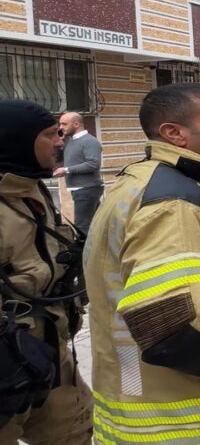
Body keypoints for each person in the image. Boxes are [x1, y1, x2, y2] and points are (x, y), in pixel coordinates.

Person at [84, 84, 200, 444]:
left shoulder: (142, 181)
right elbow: (174, 323)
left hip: (144, 401)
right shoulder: (176, 204)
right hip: (184, 423)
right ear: (174, 134)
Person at [0, 100, 92, 444]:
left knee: (75, 432)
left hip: (51, 351)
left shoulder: (31, 186)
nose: (60, 142)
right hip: (8, 363)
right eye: (51, 134)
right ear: (19, 140)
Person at [52, 112, 103, 237]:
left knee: (81, 226)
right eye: (60, 124)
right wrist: (60, 141)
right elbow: (59, 158)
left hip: (87, 188)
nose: (61, 127)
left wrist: (66, 170)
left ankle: (84, 250)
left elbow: (93, 164)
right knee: (94, 223)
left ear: (76, 124)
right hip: (81, 189)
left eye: (64, 124)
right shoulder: (70, 142)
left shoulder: (89, 141)